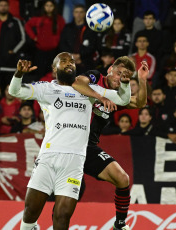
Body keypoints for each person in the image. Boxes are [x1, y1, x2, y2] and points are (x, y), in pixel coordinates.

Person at [8, 53, 131, 229]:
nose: (69, 63)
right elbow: (15, 91)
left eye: (72, 61)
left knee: (63, 216)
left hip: (75, 161)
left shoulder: (91, 91)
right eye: (63, 61)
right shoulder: (46, 88)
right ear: (53, 68)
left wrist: (125, 84)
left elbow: (123, 99)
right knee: (30, 212)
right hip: (48, 158)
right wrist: (19, 74)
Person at [71, 58, 149, 229]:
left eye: (125, 77)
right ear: (110, 69)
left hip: (88, 148)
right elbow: (77, 83)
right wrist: (100, 98)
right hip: (69, 144)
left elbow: (140, 102)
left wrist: (142, 80)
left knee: (122, 179)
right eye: (119, 73)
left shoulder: (118, 97)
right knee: (68, 200)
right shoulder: (95, 77)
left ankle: (119, 225)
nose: (120, 78)